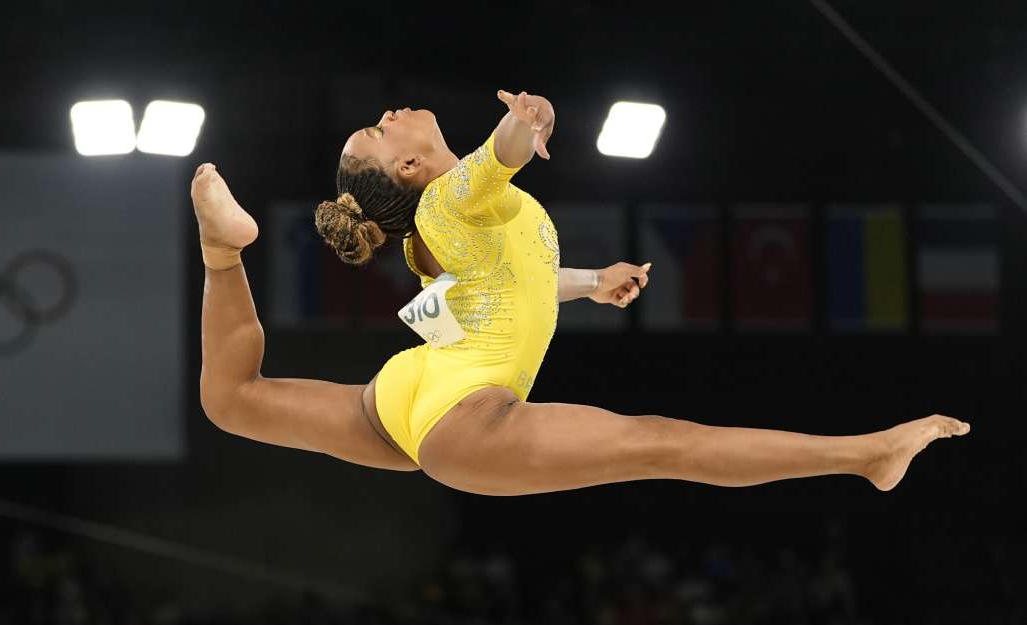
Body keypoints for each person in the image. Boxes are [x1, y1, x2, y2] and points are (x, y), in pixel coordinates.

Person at [193, 89, 968, 496]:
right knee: (663, 444)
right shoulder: (447, 201)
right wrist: (528, 124)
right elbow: (499, 158)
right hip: (460, 414)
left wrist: (593, 283)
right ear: (405, 170)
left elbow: (502, 292)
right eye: (379, 129)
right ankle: (868, 453)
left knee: (233, 399)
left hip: (412, 390)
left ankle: (221, 253)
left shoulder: (429, 239)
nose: (390, 115)